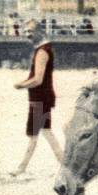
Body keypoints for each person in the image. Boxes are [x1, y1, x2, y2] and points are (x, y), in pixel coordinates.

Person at [11, 21, 64, 176]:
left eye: (31, 31)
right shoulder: (44, 49)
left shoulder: (42, 51)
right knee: (45, 132)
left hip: (39, 98)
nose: (28, 35)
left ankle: (21, 168)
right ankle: (64, 164)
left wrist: (20, 85)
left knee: (37, 134)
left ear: (40, 32)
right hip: (42, 97)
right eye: (26, 32)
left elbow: (38, 80)